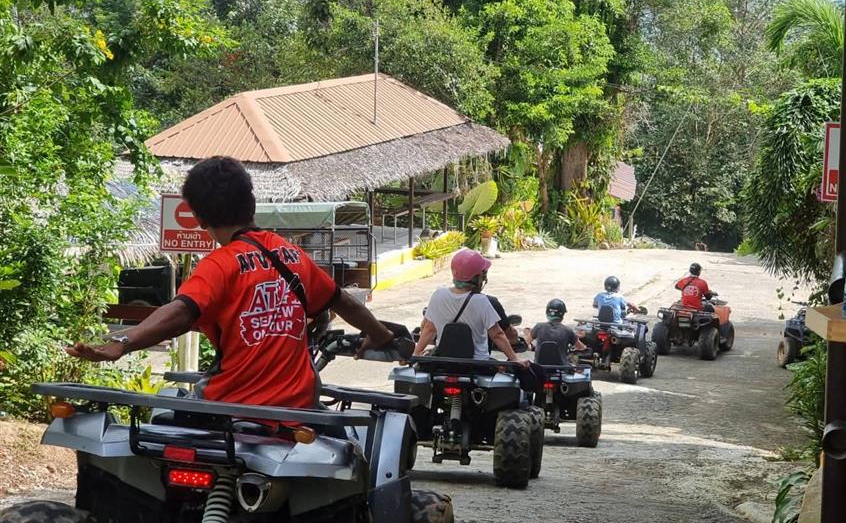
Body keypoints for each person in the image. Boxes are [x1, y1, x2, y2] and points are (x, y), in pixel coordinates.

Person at [67, 156, 395, 409]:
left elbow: (180, 312)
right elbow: (344, 302)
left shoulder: (219, 265)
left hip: (226, 408)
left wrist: (120, 343)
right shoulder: (294, 256)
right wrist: (380, 335)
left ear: (198, 218)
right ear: (252, 202)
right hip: (295, 410)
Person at [414, 249, 526, 363]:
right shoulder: (481, 301)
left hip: (445, 361)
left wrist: (416, 354)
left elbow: (429, 329)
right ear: (478, 277)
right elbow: (497, 334)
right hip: (477, 364)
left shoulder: (438, 295)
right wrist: (514, 358)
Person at [526, 299, 587, 364]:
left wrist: (531, 347)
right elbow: (582, 348)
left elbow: (525, 343)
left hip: (540, 368)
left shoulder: (538, 327)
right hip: (561, 368)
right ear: (562, 314)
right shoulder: (567, 330)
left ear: (547, 312)